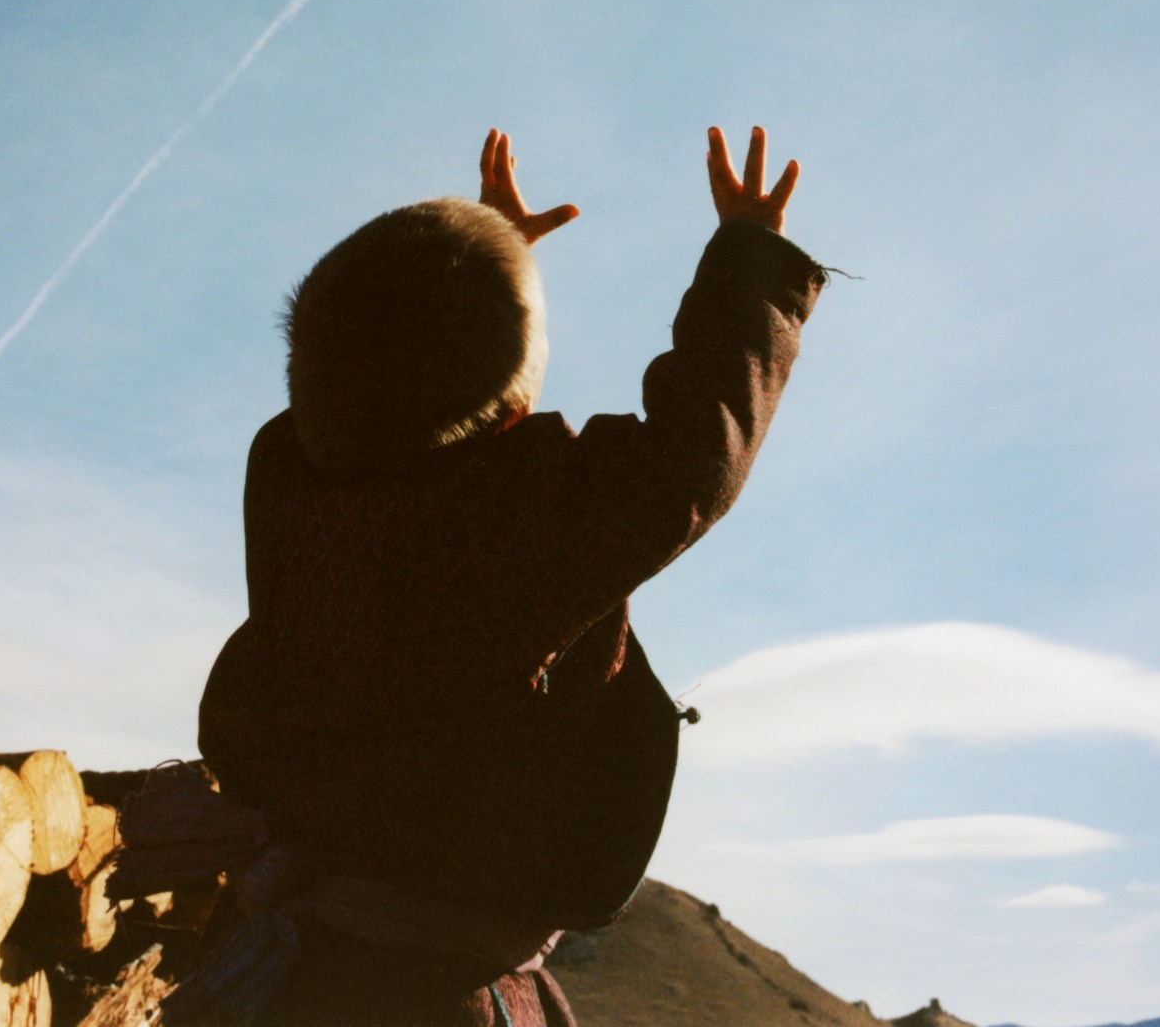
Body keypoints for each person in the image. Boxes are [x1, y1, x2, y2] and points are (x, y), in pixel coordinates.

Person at [113, 124, 827, 1026]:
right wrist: (750, 264)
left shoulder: (287, 480)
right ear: (514, 410)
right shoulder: (525, 520)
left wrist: (476, 260)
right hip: (427, 996)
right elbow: (692, 452)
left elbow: (384, 380)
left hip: (285, 973)